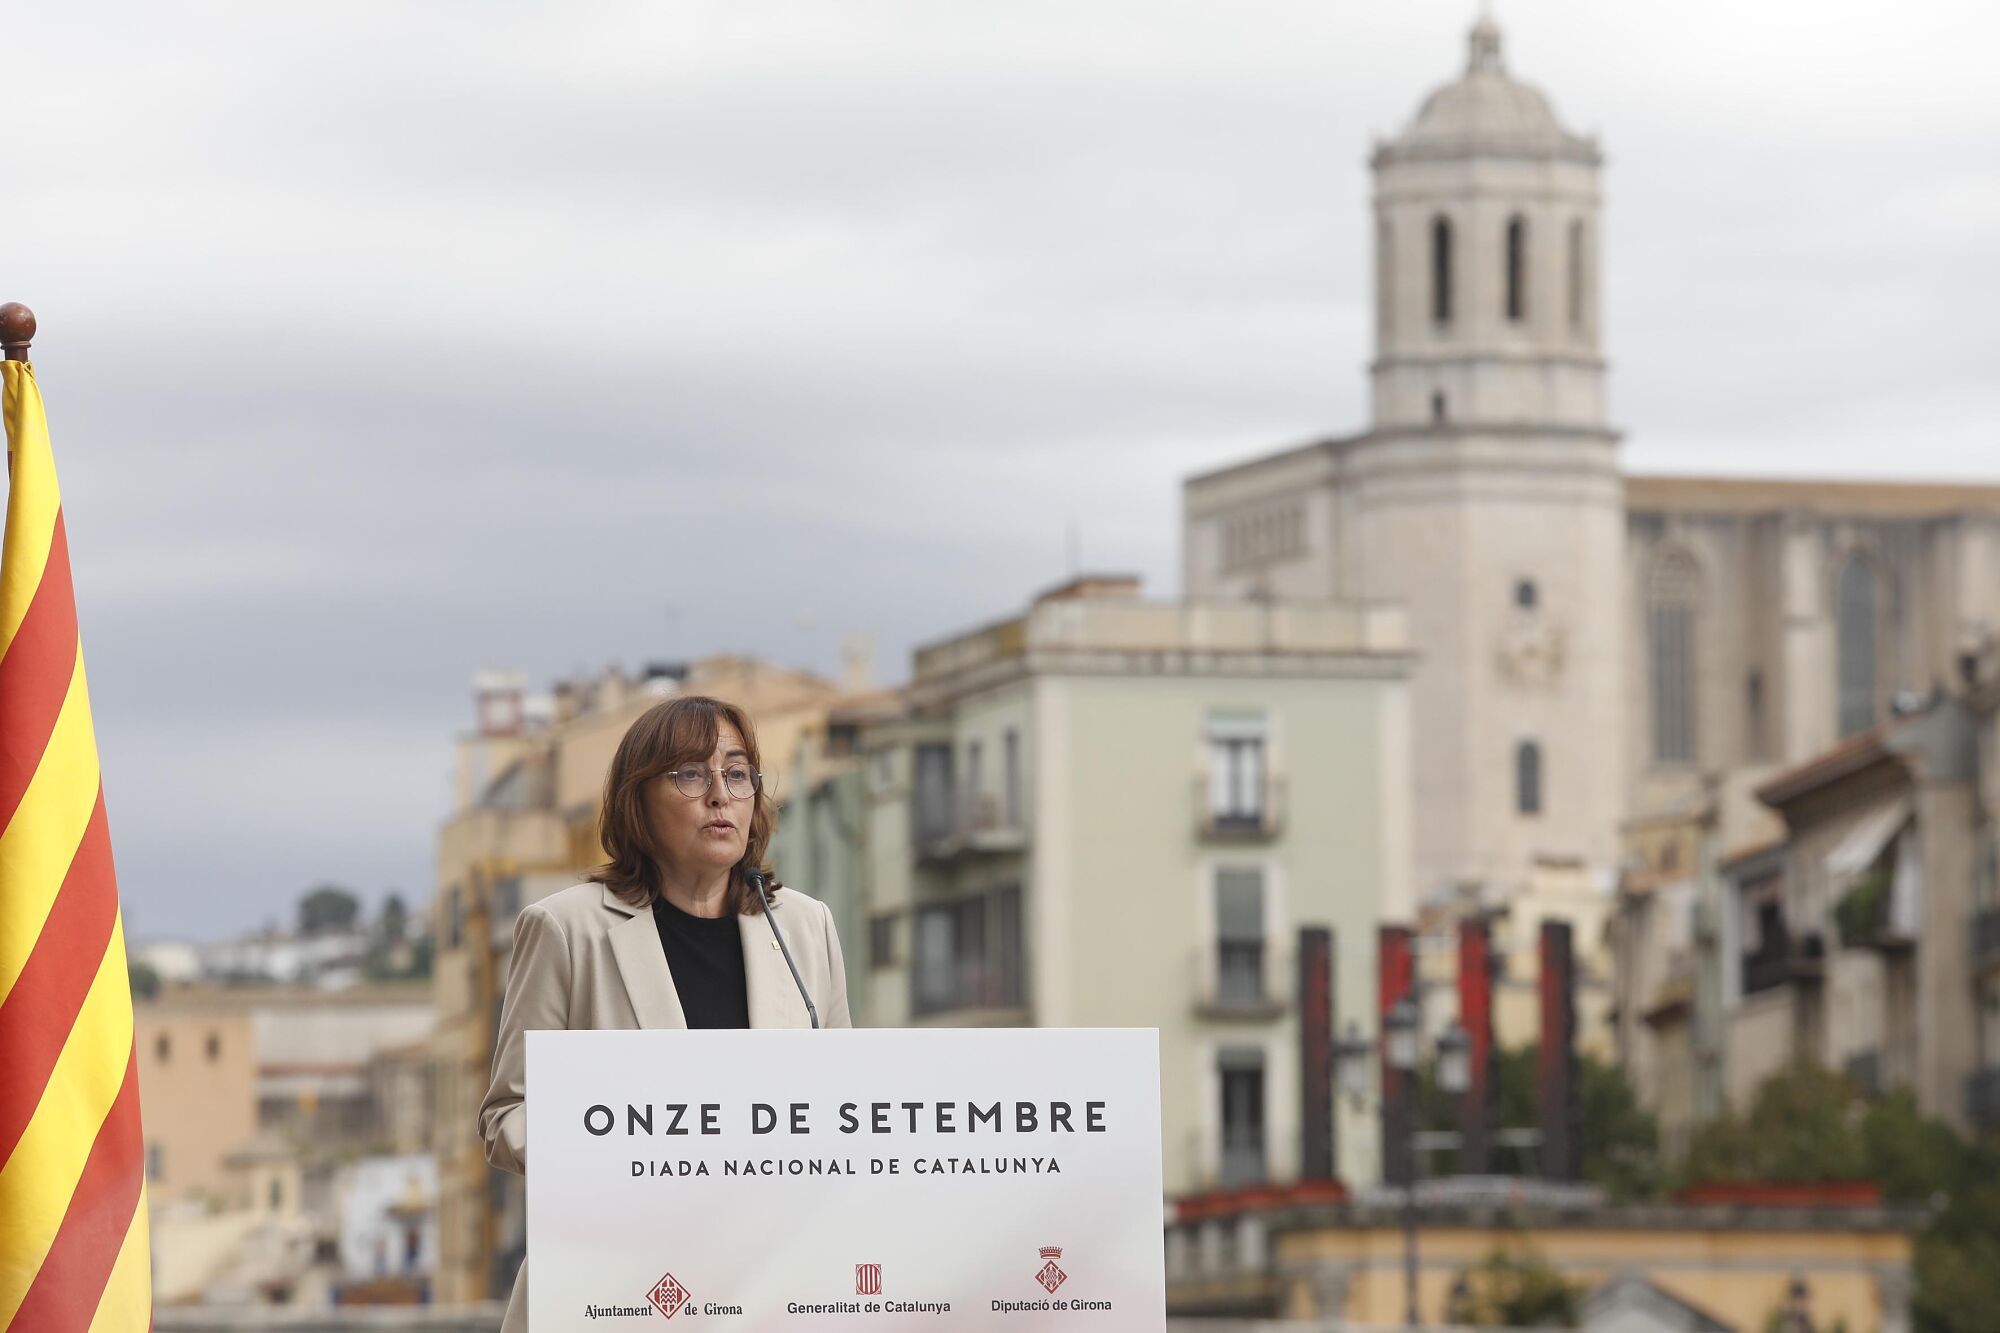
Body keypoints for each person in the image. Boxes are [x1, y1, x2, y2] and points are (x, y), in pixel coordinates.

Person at [478, 694, 851, 1332]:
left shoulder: (804, 926)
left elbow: (845, 1106)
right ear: (638, 801)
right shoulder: (566, 929)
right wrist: (615, 1158)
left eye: (737, 773)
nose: (720, 795)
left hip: (768, 1284)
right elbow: (507, 1113)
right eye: (691, 774)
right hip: (615, 1287)